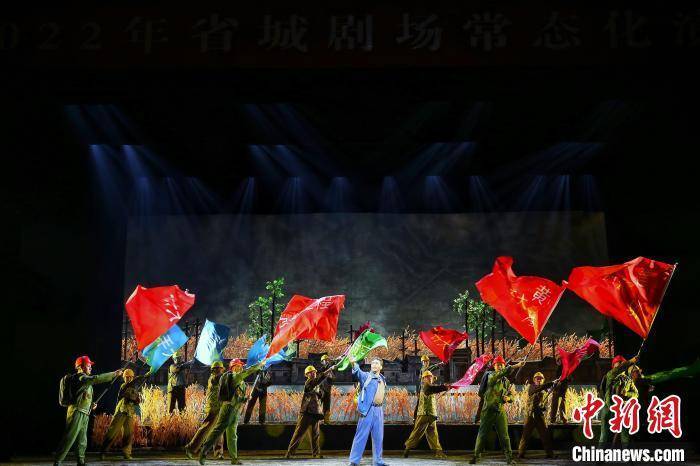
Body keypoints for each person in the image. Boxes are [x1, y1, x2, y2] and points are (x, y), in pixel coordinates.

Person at [54, 356, 122, 466]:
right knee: (69, 438)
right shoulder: (80, 378)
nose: (91, 367)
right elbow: (96, 379)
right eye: (88, 365)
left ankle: (81, 462)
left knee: (82, 440)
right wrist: (114, 374)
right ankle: (58, 462)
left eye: (90, 365)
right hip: (76, 412)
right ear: (80, 367)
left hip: (85, 412)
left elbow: (83, 396)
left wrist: (91, 405)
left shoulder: (85, 381)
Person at [198, 358, 264, 465]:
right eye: (238, 366)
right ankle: (203, 452)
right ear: (233, 368)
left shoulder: (241, 382)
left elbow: (237, 396)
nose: (241, 368)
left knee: (232, 435)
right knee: (217, 431)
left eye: (241, 366)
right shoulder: (235, 377)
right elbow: (248, 371)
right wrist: (260, 364)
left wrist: (245, 399)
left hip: (235, 410)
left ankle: (234, 458)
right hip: (228, 409)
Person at [469, 355, 525, 465]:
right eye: (497, 365)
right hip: (488, 410)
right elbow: (499, 374)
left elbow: (512, 396)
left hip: (500, 411)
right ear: (494, 366)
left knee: (505, 436)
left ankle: (509, 458)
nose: (499, 367)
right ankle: (476, 456)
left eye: (501, 365)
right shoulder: (491, 376)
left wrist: (508, 398)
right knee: (482, 434)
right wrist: (515, 366)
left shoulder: (506, 382)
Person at [285, 364, 335, 459]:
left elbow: (321, 396)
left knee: (315, 434)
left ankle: (316, 453)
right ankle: (290, 453)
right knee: (299, 433)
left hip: (315, 413)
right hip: (306, 413)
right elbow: (317, 381)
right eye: (311, 372)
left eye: (314, 372)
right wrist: (328, 370)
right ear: (307, 375)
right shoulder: (308, 383)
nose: (313, 373)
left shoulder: (317, 386)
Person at [100, 369, 148, 460]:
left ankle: (127, 453)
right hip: (121, 411)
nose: (129, 378)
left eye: (130, 377)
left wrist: (137, 399)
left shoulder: (134, 388)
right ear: (124, 378)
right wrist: (142, 377)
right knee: (112, 431)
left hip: (130, 412)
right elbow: (128, 392)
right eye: (127, 377)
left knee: (128, 433)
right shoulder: (124, 386)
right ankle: (103, 452)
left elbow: (136, 400)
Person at [349, 357, 389, 466]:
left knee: (378, 437)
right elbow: (358, 373)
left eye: (376, 363)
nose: (374, 365)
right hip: (368, 410)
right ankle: (354, 461)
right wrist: (353, 363)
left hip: (379, 410)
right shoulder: (366, 376)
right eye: (372, 363)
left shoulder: (382, 379)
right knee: (361, 435)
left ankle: (378, 461)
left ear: (381, 366)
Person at [403, 370, 450, 459]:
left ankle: (438, 452)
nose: (429, 378)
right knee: (417, 433)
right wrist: (444, 387)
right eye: (427, 377)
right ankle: (407, 449)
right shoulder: (425, 387)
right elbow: (431, 390)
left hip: (432, 415)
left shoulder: (430, 388)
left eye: (430, 376)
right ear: (424, 379)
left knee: (433, 434)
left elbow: (433, 392)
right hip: (423, 415)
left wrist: (445, 388)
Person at [185, 361, 226, 460]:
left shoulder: (221, 379)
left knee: (219, 430)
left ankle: (218, 452)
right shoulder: (214, 378)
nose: (219, 371)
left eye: (220, 369)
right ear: (213, 370)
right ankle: (190, 448)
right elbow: (220, 378)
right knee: (206, 428)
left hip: (220, 407)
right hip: (213, 408)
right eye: (217, 369)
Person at [597, 354, 638, 448]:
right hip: (608, 408)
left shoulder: (627, 380)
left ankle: (626, 453)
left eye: (621, 365)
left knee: (624, 434)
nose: (620, 367)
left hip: (621, 409)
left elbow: (635, 393)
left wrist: (626, 393)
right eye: (618, 365)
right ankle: (600, 454)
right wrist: (631, 361)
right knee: (604, 435)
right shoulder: (610, 375)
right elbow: (619, 369)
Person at [517, 372, 556, 459]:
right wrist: (551, 383)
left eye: (540, 378)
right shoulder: (532, 387)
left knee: (545, 435)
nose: (539, 380)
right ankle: (521, 453)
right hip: (530, 415)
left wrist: (543, 406)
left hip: (539, 415)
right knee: (525, 435)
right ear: (534, 380)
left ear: (543, 380)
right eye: (537, 378)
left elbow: (545, 401)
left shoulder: (545, 390)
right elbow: (539, 389)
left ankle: (550, 454)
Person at [413, 355, 431, 421]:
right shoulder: (424, 369)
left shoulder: (425, 369)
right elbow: (420, 381)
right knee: (420, 404)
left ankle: (419, 417)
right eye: (424, 361)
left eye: (426, 361)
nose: (425, 363)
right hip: (423, 389)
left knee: (425, 404)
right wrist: (418, 391)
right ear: (422, 362)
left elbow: (432, 367)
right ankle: (416, 417)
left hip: (425, 389)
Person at [319, 354, 335, 423]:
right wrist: (330, 370)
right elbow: (322, 375)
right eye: (324, 360)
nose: (325, 361)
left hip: (327, 389)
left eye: (326, 360)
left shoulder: (330, 369)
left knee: (327, 405)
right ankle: (315, 420)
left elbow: (333, 377)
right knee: (318, 404)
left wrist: (331, 371)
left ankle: (326, 420)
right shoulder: (321, 369)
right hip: (321, 389)